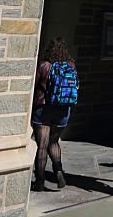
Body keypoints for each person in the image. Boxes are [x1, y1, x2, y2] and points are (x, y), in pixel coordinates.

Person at [31, 37, 78, 192]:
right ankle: (58, 171)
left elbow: (35, 84)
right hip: (63, 110)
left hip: (44, 109)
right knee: (54, 142)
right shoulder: (71, 66)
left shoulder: (44, 66)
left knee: (42, 146)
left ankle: (40, 181)